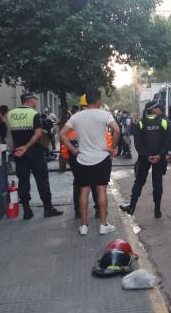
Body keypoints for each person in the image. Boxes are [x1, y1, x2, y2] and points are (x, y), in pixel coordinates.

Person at [60, 88, 121, 236]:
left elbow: (62, 134)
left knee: (84, 191)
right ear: (98, 101)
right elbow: (117, 131)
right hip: (101, 159)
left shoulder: (76, 117)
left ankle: (84, 226)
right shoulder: (105, 115)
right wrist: (112, 148)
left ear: (86, 101)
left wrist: (73, 150)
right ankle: (103, 225)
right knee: (101, 190)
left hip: (82, 159)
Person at [6, 92, 63, 220]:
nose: (36, 101)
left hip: (18, 153)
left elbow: (9, 136)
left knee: (23, 181)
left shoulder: (10, 114)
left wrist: (14, 150)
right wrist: (26, 147)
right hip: (33, 151)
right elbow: (38, 134)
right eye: (34, 99)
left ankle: (26, 211)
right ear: (28, 100)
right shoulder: (33, 114)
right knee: (42, 179)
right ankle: (48, 208)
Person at [119, 100, 171, 218]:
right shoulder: (164, 121)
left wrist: (147, 155)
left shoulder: (141, 123)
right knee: (157, 183)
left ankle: (132, 207)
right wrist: (159, 155)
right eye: (157, 107)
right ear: (153, 110)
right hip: (159, 158)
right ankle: (157, 210)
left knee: (139, 182)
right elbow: (168, 141)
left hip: (144, 158)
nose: (160, 109)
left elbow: (138, 145)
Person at [60, 95, 99, 219]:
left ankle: (78, 210)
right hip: (92, 155)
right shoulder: (96, 119)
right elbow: (105, 140)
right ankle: (98, 209)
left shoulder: (72, 120)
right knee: (94, 183)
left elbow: (63, 137)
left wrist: (68, 154)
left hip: (75, 156)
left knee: (79, 183)